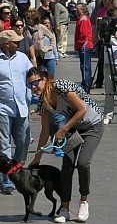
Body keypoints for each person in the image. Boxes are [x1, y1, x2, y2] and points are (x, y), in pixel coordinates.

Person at [29, 69, 103, 223]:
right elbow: (45, 131)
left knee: (83, 163)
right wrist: (37, 158)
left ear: (45, 79)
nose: (33, 87)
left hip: (92, 126)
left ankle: (84, 202)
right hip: (74, 129)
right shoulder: (43, 101)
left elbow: (81, 110)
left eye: (36, 82)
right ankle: (64, 208)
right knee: (67, 165)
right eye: (29, 84)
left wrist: (63, 129)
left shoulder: (61, 87)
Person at [0, 30, 34, 195]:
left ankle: (17, 173)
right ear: (5, 44)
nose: (18, 44)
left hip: (22, 107)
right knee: (4, 146)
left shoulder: (23, 58)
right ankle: (6, 182)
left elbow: (33, 77)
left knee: (23, 143)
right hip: (2, 108)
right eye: (15, 42)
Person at [74, 3, 94, 93]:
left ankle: (86, 86)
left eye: (78, 8)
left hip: (84, 46)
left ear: (82, 9)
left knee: (85, 67)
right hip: (84, 46)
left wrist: (79, 45)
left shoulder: (83, 19)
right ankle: (85, 84)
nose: (76, 10)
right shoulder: (82, 19)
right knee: (84, 66)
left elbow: (83, 34)